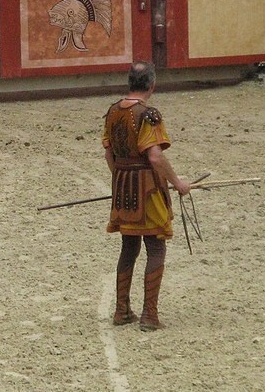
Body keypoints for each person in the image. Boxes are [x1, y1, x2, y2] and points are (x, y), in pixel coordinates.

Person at [101, 61, 191, 331]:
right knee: (155, 246)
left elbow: (109, 154)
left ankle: (122, 311)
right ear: (151, 85)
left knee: (129, 246)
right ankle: (150, 315)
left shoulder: (113, 111)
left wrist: (120, 177)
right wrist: (177, 182)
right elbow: (154, 155)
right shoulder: (148, 114)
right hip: (147, 190)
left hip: (123, 187)